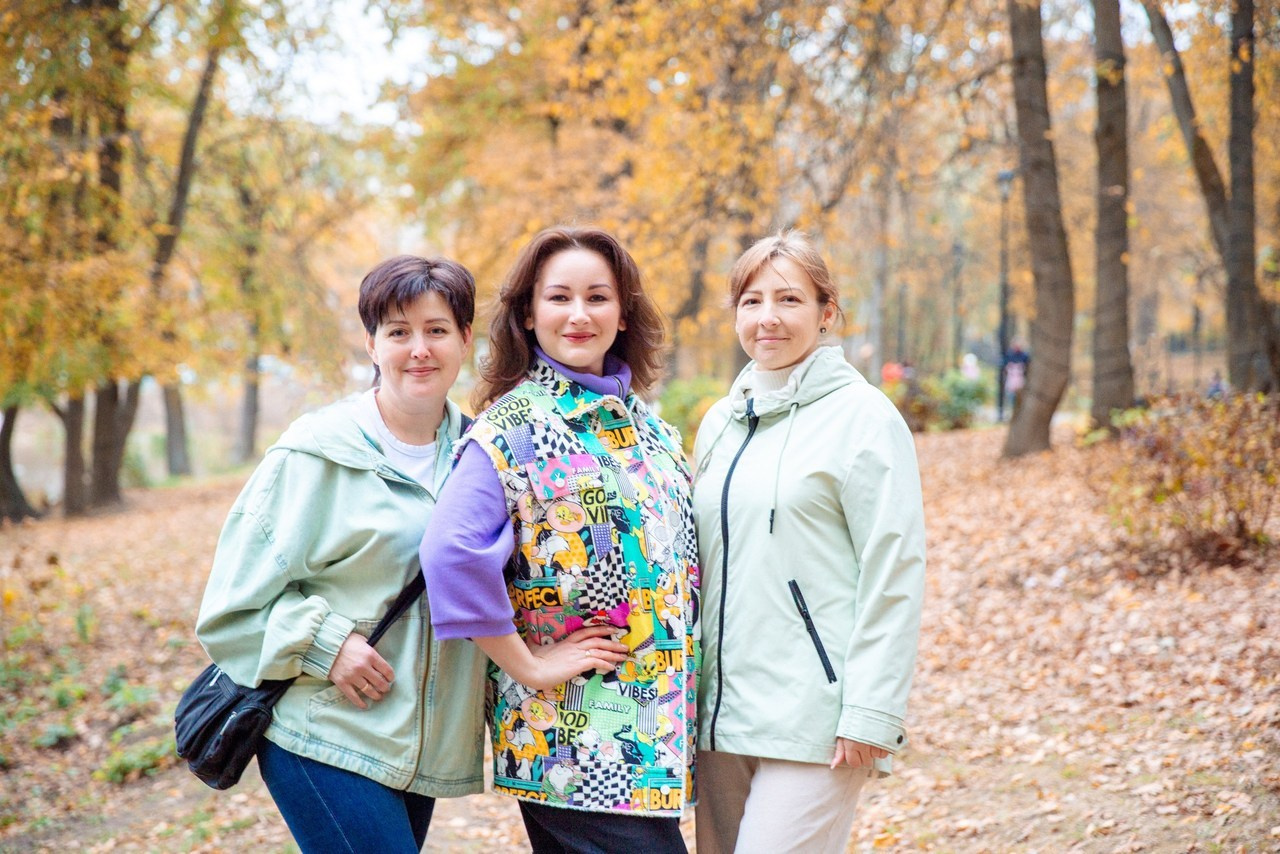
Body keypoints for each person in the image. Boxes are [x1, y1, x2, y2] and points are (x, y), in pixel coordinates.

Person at [195, 256, 489, 854]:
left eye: (436, 330)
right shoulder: (314, 454)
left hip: (417, 750)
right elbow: (230, 609)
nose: (419, 349)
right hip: (323, 731)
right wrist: (325, 644)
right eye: (398, 332)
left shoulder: (483, 453)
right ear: (372, 344)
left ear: (465, 338)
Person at [421, 226, 699, 853]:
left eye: (597, 297)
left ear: (623, 313)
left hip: (656, 735)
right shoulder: (514, 428)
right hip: (575, 745)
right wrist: (528, 665)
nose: (579, 315)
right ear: (528, 313)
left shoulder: (652, 432)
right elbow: (449, 553)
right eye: (558, 298)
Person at [692, 231, 926, 854]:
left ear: (826, 313)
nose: (768, 317)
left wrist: (872, 709)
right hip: (719, 718)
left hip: (815, 718)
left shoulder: (864, 418)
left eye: (789, 299)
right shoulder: (719, 423)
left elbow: (895, 569)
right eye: (752, 301)